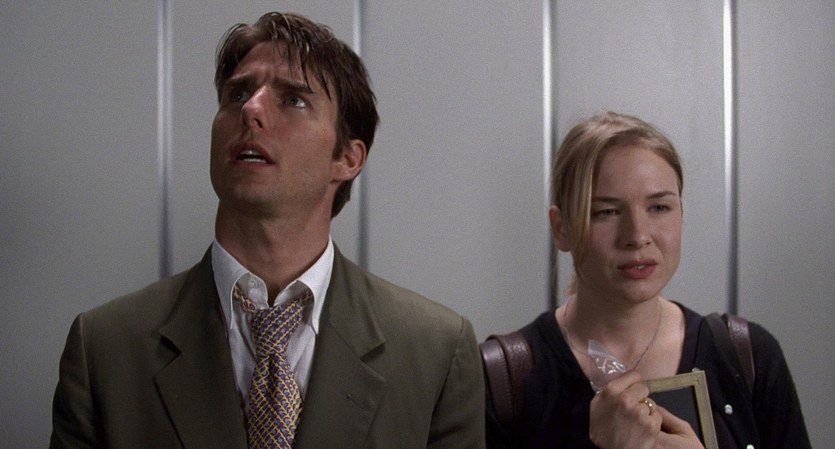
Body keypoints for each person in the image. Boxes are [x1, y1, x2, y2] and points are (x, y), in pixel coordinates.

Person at [50, 12, 484, 449]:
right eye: (238, 93)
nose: (251, 110)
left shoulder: (435, 351)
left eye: (293, 99)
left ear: (347, 159)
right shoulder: (105, 349)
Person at [485, 111, 810, 448]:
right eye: (607, 212)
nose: (638, 236)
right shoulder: (504, 379)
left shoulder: (748, 356)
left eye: (659, 208)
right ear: (561, 228)